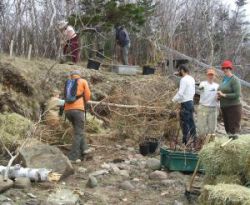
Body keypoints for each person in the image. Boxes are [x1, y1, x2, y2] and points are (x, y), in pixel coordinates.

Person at [64, 70, 91, 161]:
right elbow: (87, 95)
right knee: (78, 133)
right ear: (79, 75)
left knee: (78, 130)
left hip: (67, 110)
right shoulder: (83, 81)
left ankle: (85, 149)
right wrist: (84, 102)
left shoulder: (68, 82)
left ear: (72, 76)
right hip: (78, 110)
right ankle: (73, 156)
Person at [172, 65, 196, 145]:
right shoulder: (191, 79)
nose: (179, 72)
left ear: (182, 70)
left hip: (185, 103)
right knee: (191, 122)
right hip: (191, 102)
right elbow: (193, 92)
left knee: (185, 123)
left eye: (179, 71)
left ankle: (185, 142)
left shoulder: (183, 80)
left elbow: (180, 93)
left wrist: (173, 100)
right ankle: (194, 140)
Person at [217, 60, 242, 135]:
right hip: (224, 107)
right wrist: (218, 96)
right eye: (223, 68)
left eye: (227, 68)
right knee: (227, 129)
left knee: (233, 129)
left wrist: (224, 95)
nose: (225, 70)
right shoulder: (224, 79)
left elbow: (237, 94)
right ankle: (229, 145)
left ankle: (234, 145)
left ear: (230, 68)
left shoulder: (235, 79)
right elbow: (222, 90)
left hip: (233, 107)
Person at [197, 68, 219, 138]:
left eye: (212, 75)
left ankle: (210, 144)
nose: (210, 76)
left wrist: (219, 97)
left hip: (213, 109)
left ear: (214, 76)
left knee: (212, 129)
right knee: (201, 128)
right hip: (203, 107)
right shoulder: (203, 84)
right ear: (207, 75)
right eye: (209, 75)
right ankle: (201, 142)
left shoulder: (217, 86)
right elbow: (200, 89)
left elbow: (219, 97)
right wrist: (200, 87)